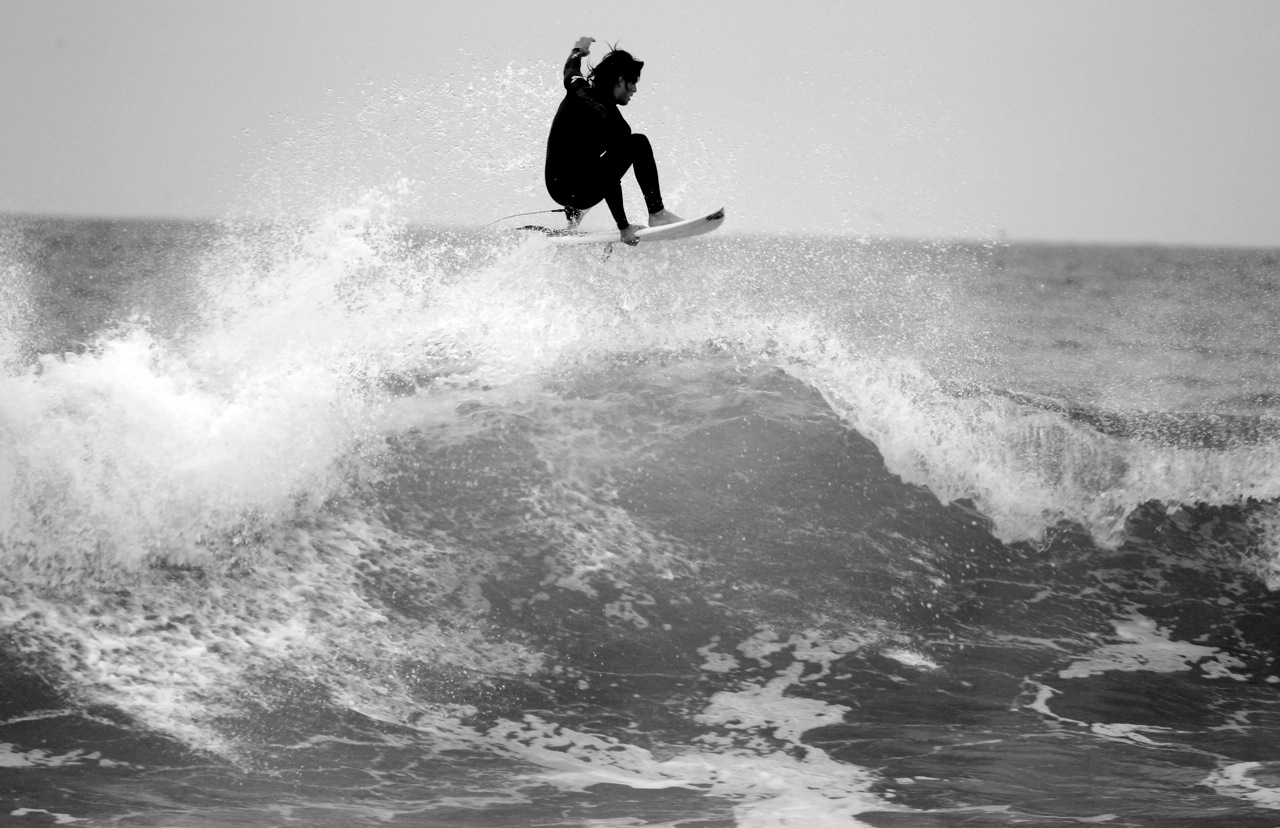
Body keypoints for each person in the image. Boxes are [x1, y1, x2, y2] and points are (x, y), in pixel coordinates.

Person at [544, 36, 683, 245]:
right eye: (632, 82)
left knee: (581, 155)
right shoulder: (614, 123)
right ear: (620, 80)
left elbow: (570, 69)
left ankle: (573, 216)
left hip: (555, 186)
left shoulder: (577, 87)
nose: (634, 90)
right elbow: (609, 178)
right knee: (639, 143)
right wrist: (624, 227)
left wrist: (578, 50)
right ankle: (657, 213)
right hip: (580, 193)